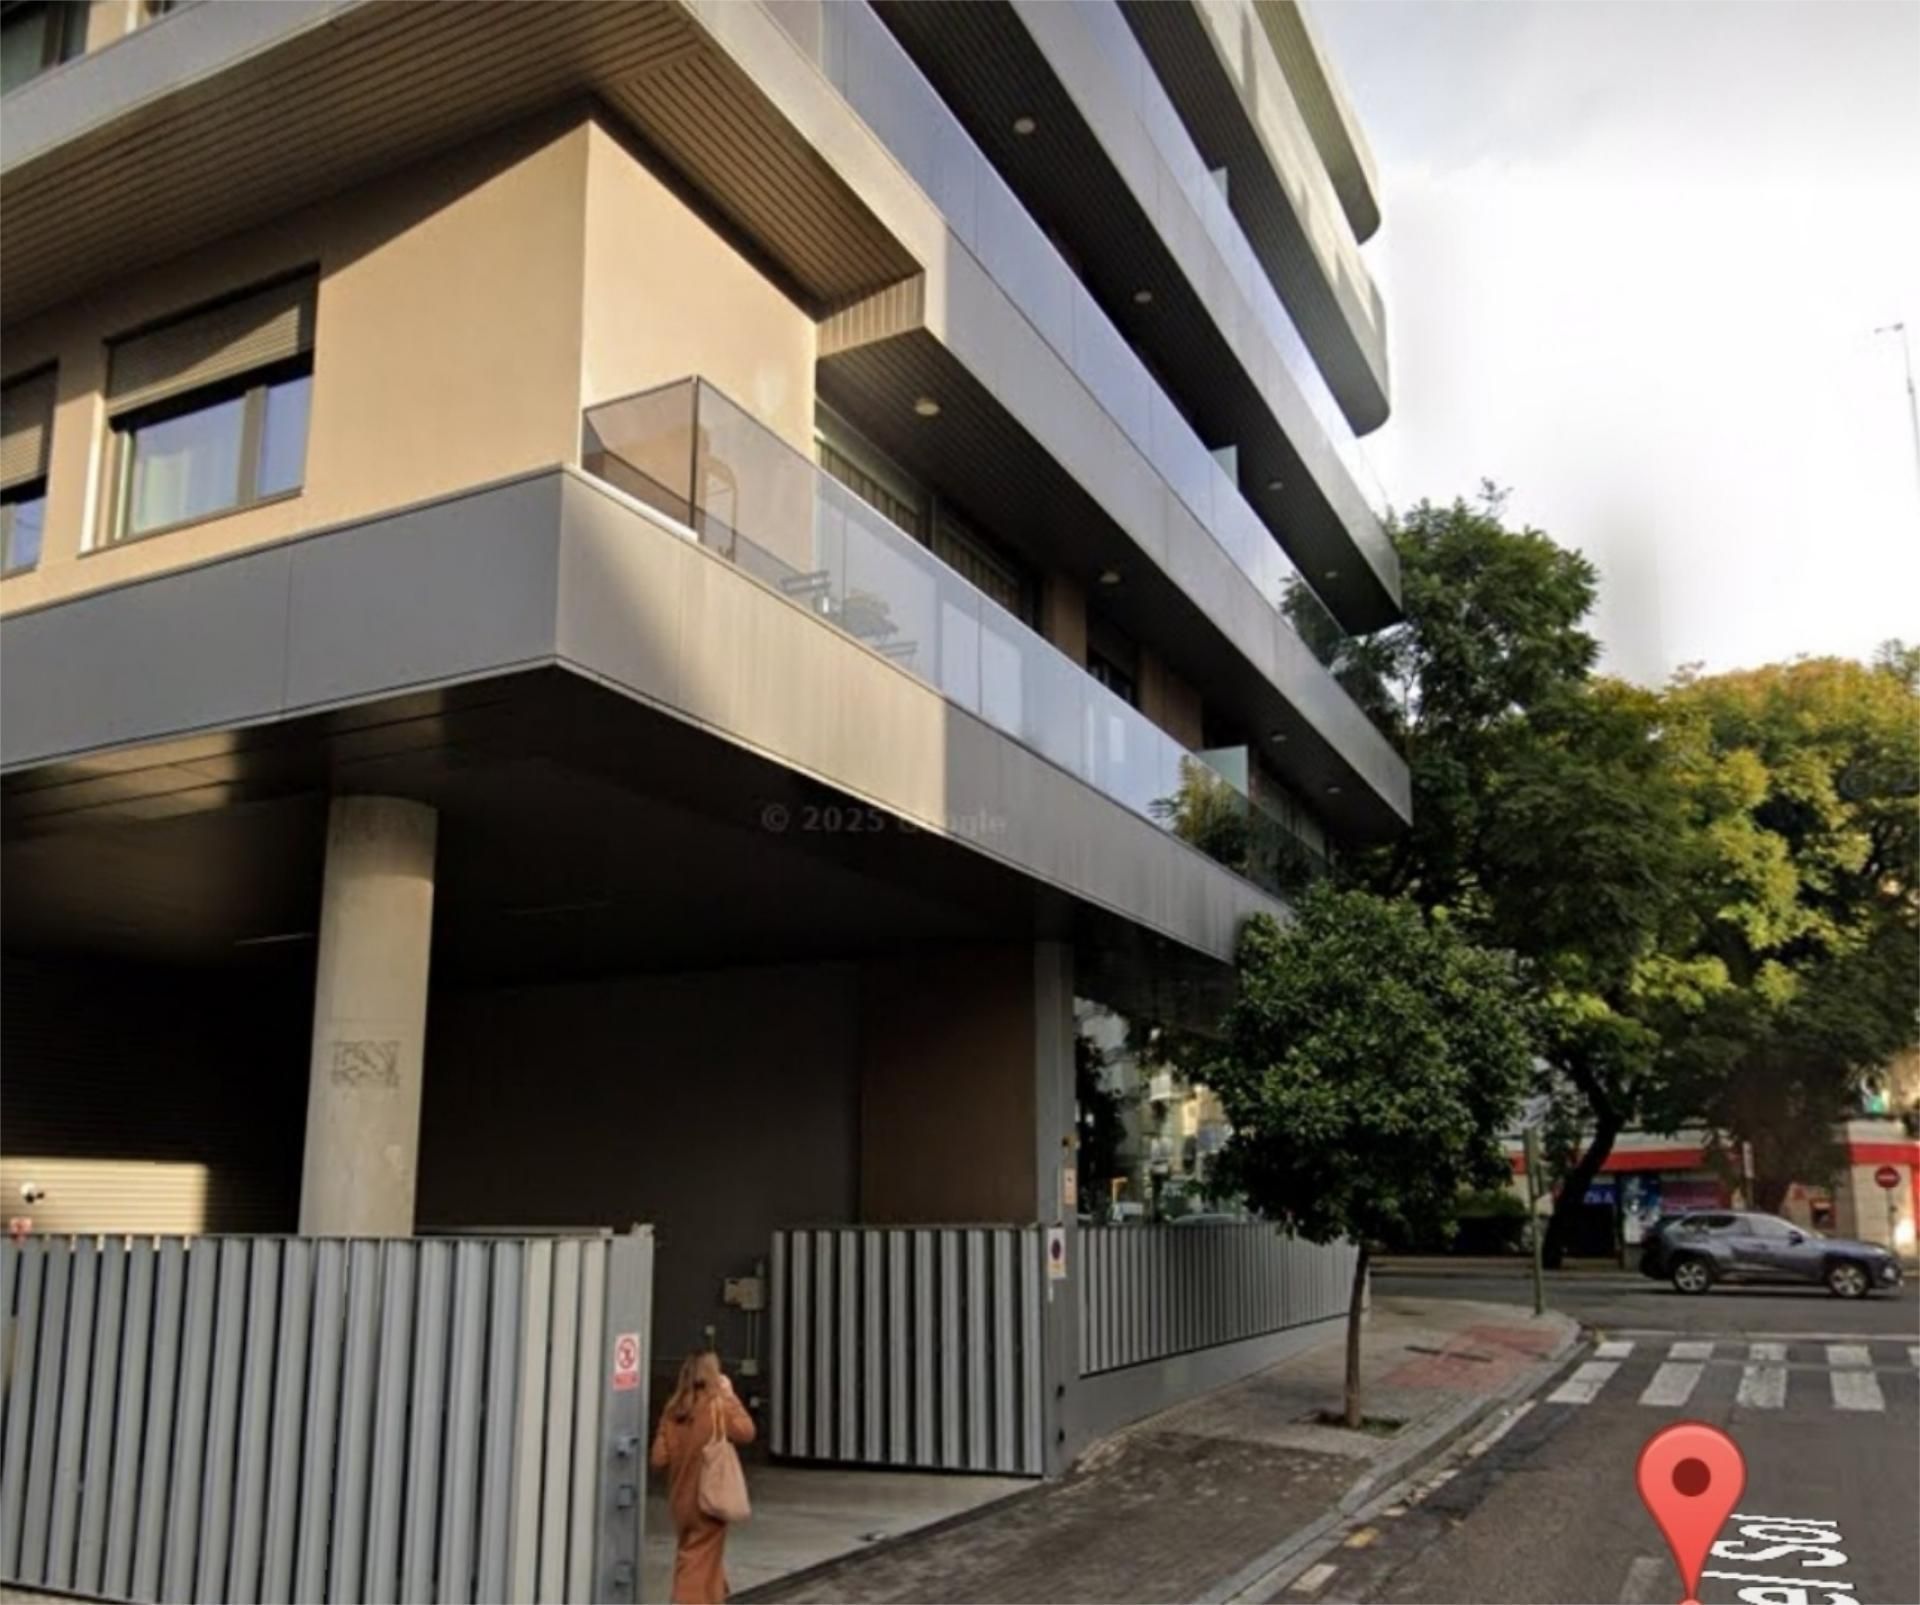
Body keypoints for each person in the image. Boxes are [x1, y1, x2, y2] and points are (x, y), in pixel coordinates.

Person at [650, 1350, 755, 1604]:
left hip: (680, 1502)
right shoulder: (717, 1406)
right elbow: (746, 1432)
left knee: (699, 1557)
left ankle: (717, 1596)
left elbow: (658, 1459)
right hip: (709, 1500)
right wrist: (729, 1396)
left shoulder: (672, 1411)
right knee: (695, 1563)